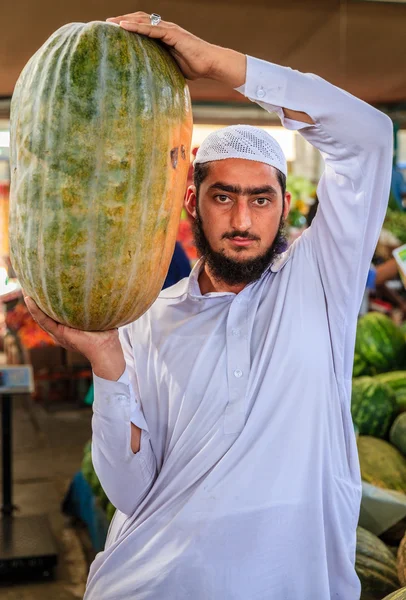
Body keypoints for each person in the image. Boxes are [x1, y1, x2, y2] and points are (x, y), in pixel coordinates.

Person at [25, 11, 393, 600]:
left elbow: (370, 137)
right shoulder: (146, 315)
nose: (243, 221)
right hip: (155, 582)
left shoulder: (321, 283)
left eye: (261, 199)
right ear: (191, 200)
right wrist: (107, 362)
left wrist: (222, 64)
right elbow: (132, 491)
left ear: (284, 205)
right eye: (224, 196)